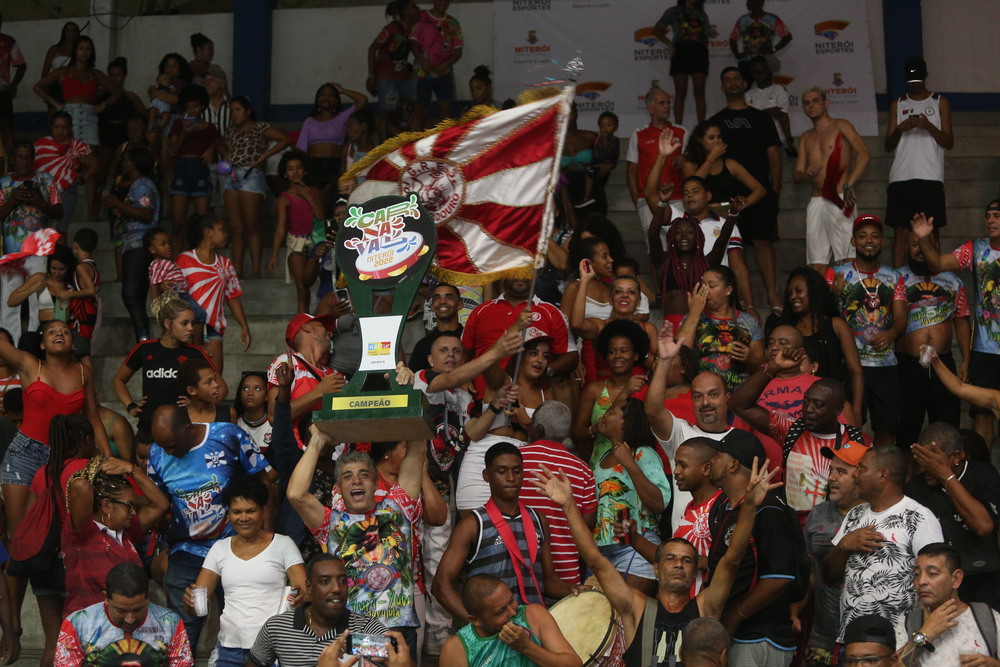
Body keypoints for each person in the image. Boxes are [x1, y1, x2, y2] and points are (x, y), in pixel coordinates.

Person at [532, 453, 776, 666]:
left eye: (687, 560)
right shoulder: (635, 607)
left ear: (694, 574)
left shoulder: (705, 607)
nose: (679, 564)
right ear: (656, 569)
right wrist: (568, 505)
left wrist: (750, 507)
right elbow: (596, 561)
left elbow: (731, 561)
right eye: (670, 558)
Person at [287, 428, 424, 660]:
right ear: (339, 487)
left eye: (364, 474)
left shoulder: (397, 508)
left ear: (374, 482)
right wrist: (317, 441)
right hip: (355, 631)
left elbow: (418, 446)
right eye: (347, 476)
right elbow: (295, 494)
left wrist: (407, 410)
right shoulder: (330, 523)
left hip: (397, 628)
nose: (356, 480)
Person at [146, 404, 271, 650]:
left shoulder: (228, 436)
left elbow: (263, 484)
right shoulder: (156, 453)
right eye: (163, 446)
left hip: (234, 547)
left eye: (172, 445)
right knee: (182, 632)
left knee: (238, 626)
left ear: (188, 428)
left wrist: (266, 539)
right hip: (186, 551)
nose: (167, 451)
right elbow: (158, 503)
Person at [434, 442, 580, 619]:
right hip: (495, 635)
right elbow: (440, 585)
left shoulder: (539, 520)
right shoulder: (473, 524)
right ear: (486, 475)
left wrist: (572, 589)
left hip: (534, 629)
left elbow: (548, 582)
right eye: (501, 471)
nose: (510, 478)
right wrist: (477, 625)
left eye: (517, 471)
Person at [822, 446, 943, 649]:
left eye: (862, 468)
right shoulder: (854, 515)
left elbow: (937, 581)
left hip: (899, 644)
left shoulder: (919, 517)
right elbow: (829, 576)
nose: (856, 474)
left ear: (883, 474)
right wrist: (844, 545)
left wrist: (923, 637)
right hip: (851, 642)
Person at [0, 320, 109, 541]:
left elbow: (93, 418)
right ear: (42, 345)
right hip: (24, 455)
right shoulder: (29, 364)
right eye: (52, 331)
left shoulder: (83, 372)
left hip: (65, 458)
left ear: (73, 345)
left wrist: (107, 456)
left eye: (65, 332)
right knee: (21, 538)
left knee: (57, 537)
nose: (59, 333)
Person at [182, 476, 305, 667]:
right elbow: (198, 603)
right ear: (228, 514)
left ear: (264, 511)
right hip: (228, 648)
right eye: (236, 512)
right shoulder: (219, 549)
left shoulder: (283, 545)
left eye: (250, 511)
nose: (243, 518)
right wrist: (190, 601)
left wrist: (300, 597)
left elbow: (303, 591)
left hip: (272, 649)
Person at [730, 348, 867, 516]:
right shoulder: (791, 429)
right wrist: (772, 367)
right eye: (806, 402)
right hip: (794, 528)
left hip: (835, 530)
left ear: (838, 410)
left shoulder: (854, 440)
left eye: (818, 405)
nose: (809, 410)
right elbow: (738, 405)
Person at [705, 429, 801, 666]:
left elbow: (779, 577)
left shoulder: (769, 511)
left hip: (760, 638)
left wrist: (734, 618)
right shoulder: (722, 507)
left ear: (733, 465)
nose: (710, 461)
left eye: (717, 455)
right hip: (731, 635)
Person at [910, 204, 1000, 446]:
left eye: (997, 216)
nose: (990, 221)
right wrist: (924, 238)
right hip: (986, 349)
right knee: (981, 414)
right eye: (988, 216)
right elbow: (937, 264)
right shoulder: (977, 248)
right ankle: (984, 473)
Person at [646, 323, 740, 532]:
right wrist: (664, 362)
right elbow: (653, 411)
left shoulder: (741, 442)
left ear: (727, 398)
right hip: (683, 551)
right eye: (698, 396)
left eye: (713, 394)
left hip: (722, 549)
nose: (705, 402)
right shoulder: (682, 434)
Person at [709, 66, 784, 309]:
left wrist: (774, 189)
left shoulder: (761, 118)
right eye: (727, 79)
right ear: (722, 87)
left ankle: (772, 295)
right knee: (728, 248)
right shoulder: (715, 122)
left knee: (763, 242)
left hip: (758, 191)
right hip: (724, 194)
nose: (732, 83)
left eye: (736, 79)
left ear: (744, 83)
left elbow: (774, 155)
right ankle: (734, 300)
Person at [905, 422, 1000, 610]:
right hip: (941, 586)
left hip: (983, 581)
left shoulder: (982, 474)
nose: (926, 467)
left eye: (932, 460)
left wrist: (945, 476)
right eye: (922, 460)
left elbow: (983, 526)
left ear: (956, 456)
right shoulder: (914, 489)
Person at [830, 215, 907, 446]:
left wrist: (892, 333)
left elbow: (902, 316)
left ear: (882, 241)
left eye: (874, 236)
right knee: (850, 428)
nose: (869, 241)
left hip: (885, 366)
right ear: (853, 242)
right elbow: (823, 316)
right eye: (862, 236)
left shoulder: (894, 277)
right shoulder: (837, 273)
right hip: (850, 366)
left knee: (886, 429)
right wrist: (834, 295)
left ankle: (883, 476)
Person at [248, 554, 399, 667]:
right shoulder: (277, 627)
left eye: (342, 581)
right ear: (309, 586)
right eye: (325, 581)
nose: (336, 589)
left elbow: (401, 661)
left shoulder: (364, 629)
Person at [63, 454, 170, 614]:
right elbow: (81, 485)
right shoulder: (83, 534)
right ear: (106, 506)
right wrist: (96, 470)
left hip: (124, 626)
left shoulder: (126, 531)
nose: (134, 512)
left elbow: (161, 505)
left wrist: (131, 469)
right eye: (129, 506)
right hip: (89, 629)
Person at [34, 35, 121, 220]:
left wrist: (102, 106)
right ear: (75, 50)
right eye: (81, 48)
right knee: (66, 159)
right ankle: (60, 204)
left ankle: (92, 212)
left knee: (92, 164)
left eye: (88, 49)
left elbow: (117, 91)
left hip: (89, 116)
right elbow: (39, 86)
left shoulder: (96, 74)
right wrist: (57, 104)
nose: (84, 52)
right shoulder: (64, 71)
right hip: (69, 115)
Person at [896, 232, 970, 447]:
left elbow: (962, 321)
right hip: (907, 365)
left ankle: (945, 480)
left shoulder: (953, 281)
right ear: (907, 249)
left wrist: (966, 360)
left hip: (943, 364)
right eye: (914, 244)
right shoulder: (896, 279)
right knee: (906, 432)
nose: (920, 249)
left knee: (947, 430)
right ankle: (907, 479)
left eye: (926, 244)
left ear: (936, 246)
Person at [114, 291, 220, 430]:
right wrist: (131, 407)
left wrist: (197, 403)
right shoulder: (145, 348)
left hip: (182, 429)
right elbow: (119, 380)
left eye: (192, 323)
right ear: (168, 323)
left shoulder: (196, 353)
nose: (190, 329)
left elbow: (220, 388)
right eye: (184, 323)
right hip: (148, 427)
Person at [802, 440, 866, 666]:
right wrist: (795, 609)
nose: (831, 477)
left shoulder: (876, 516)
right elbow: (810, 572)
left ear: (862, 476)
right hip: (822, 636)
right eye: (831, 470)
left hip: (864, 640)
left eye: (841, 471)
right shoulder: (818, 514)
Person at [462, 277, 578, 402]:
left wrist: (547, 370)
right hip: (483, 397)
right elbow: (464, 352)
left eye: (526, 272)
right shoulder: (481, 310)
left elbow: (571, 357)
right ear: (504, 274)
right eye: (515, 271)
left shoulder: (551, 312)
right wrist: (464, 379)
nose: (520, 276)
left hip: (532, 401)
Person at [518, 402, 597, 585]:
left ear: (538, 428)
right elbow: (587, 527)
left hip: (520, 571)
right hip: (566, 576)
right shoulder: (584, 470)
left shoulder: (515, 461)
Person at [794, 87, 872, 272]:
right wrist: (806, 174)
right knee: (816, 263)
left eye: (815, 101)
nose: (811, 106)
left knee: (847, 258)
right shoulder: (806, 137)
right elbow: (796, 175)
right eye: (806, 103)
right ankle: (822, 301)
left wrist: (849, 183)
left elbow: (864, 154)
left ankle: (849, 301)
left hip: (839, 197)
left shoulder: (840, 125)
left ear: (825, 103)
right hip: (816, 200)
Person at [54, 563, 193, 666]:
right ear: (106, 598)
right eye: (121, 611)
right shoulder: (77, 623)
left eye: (138, 609)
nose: (130, 619)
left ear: (148, 597)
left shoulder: (170, 623)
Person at [885, 57, 953, 268]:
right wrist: (900, 128)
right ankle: (897, 281)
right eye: (910, 79)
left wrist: (928, 126)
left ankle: (935, 277)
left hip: (930, 176)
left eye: (918, 78)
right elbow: (888, 145)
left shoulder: (939, 101)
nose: (915, 83)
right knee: (900, 231)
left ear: (925, 76)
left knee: (931, 231)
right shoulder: (898, 104)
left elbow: (949, 142)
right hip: (901, 176)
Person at [774, 267, 865, 415]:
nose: (793, 297)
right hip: (798, 407)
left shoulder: (836, 325)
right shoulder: (789, 330)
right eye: (790, 293)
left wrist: (856, 409)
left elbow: (855, 371)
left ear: (814, 291)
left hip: (834, 405)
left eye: (798, 291)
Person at [217, 95, 290, 277]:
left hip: (251, 174)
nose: (234, 114)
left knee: (251, 226)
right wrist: (225, 153)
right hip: (231, 175)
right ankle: (238, 273)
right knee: (235, 229)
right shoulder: (231, 131)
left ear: (248, 111)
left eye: (238, 110)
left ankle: (256, 272)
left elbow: (284, 139)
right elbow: (220, 144)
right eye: (232, 111)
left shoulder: (260, 127)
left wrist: (264, 157)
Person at [896, 543, 1000, 666]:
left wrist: (994, 664)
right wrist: (925, 634)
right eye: (917, 574)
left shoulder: (987, 618)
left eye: (932, 573)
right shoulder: (909, 624)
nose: (921, 581)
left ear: (956, 578)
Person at [0, 141, 63, 342]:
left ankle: (37, 344)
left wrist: (40, 202)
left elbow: (59, 211)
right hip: (11, 251)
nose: (24, 161)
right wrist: (13, 200)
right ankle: (10, 346)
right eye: (19, 156)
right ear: (13, 159)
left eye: (28, 156)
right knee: (9, 299)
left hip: (39, 250)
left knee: (39, 299)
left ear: (33, 158)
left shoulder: (45, 180)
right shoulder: (2, 182)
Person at [177, 215, 252, 371]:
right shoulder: (184, 259)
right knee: (187, 380)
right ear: (209, 232)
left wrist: (244, 326)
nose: (226, 234)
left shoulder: (225, 263)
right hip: (186, 327)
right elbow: (175, 295)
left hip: (213, 327)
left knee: (214, 381)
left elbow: (232, 297)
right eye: (222, 230)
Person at [572, 318, 649, 465]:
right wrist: (595, 429)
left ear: (635, 355)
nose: (617, 356)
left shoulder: (645, 389)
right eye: (612, 352)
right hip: (600, 465)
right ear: (606, 356)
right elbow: (576, 433)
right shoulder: (593, 390)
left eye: (624, 351)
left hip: (637, 465)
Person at [101, 146, 159, 341]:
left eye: (125, 160)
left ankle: (143, 338)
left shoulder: (142, 185)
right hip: (131, 245)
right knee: (136, 295)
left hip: (138, 244)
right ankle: (142, 337)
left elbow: (146, 213)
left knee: (131, 294)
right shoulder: (135, 185)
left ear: (133, 163)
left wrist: (118, 204)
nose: (123, 164)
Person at [677, 266, 765, 390]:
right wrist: (694, 313)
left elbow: (763, 368)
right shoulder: (692, 317)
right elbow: (679, 352)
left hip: (739, 395)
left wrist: (750, 358)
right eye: (703, 285)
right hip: (703, 392)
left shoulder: (749, 322)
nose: (705, 290)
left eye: (712, 286)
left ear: (728, 290)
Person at [266, 314, 346, 450]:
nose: (330, 332)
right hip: (299, 455)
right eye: (322, 326)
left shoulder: (335, 375)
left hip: (334, 461)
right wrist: (319, 392)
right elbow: (274, 417)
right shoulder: (289, 363)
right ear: (306, 327)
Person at [626, 88, 686, 239]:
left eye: (668, 102)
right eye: (662, 103)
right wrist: (637, 200)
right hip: (647, 200)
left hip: (677, 197)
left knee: (680, 246)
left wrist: (684, 161)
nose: (667, 106)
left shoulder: (682, 132)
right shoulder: (638, 134)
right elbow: (632, 170)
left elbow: (691, 166)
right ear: (649, 108)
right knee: (655, 251)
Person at [270, 152, 323, 313]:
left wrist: (309, 197)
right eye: (290, 169)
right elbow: (281, 228)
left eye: (299, 168)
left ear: (305, 171)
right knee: (302, 288)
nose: (295, 172)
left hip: (316, 242)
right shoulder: (284, 198)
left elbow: (321, 218)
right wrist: (274, 255)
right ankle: (303, 323)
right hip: (297, 243)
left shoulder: (313, 192)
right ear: (285, 174)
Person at [168, 85, 217, 253]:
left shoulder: (210, 127)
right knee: (177, 223)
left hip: (201, 171)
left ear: (202, 106)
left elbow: (216, 147)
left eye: (195, 106)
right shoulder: (177, 124)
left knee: (202, 222)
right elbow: (173, 150)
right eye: (188, 107)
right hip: (181, 169)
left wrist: (212, 150)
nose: (192, 110)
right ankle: (176, 263)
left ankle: (200, 260)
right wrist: (184, 133)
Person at [681, 121, 766, 218]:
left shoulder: (730, 164)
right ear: (700, 140)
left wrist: (745, 203)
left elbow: (760, 189)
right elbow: (694, 184)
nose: (717, 141)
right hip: (700, 215)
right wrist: (711, 157)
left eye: (719, 137)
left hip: (726, 215)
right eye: (711, 138)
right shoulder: (690, 163)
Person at [32, 110, 98, 235]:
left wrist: (84, 178)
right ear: (51, 127)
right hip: (42, 189)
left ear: (70, 128)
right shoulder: (41, 144)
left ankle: (60, 254)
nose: (60, 131)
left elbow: (95, 164)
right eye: (56, 127)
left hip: (66, 190)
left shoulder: (77, 146)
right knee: (42, 229)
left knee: (60, 230)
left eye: (64, 127)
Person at [367, 0, 419, 142]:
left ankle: (409, 142)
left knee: (412, 107)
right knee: (386, 112)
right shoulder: (390, 29)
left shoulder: (413, 29)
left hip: (403, 75)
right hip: (386, 77)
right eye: (413, 7)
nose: (418, 9)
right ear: (405, 12)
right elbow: (372, 49)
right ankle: (383, 147)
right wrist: (371, 75)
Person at [655, 0, 710, 126]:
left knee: (700, 92)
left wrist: (703, 49)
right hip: (681, 51)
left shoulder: (702, 14)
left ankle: (702, 128)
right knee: (680, 92)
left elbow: (706, 36)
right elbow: (657, 30)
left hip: (699, 51)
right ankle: (678, 127)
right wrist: (670, 45)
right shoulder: (673, 11)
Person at [411, 0, 463, 124]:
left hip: (444, 73)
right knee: (419, 111)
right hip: (423, 73)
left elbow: (458, 51)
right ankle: (414, 141)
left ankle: (444, 142)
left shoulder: (453, 23)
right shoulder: (421, 16)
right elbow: (412, 42)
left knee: (445, 112)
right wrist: (422, 60)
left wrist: (446, 64)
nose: (444, 3)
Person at [745, 56, 796, 157]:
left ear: (768, 70)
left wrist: (789, 142)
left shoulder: (779, 89)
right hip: (756, 143)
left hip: (778, 142)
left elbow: (783, 117)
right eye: (756, 72)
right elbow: (750, 120)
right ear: (752, 74)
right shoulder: (748, 95)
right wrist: (768, 111)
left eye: (762, 71)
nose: (760, 75)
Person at [728, 0, 793, 77]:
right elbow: (733, 39)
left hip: (766, 61)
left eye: (751, 1)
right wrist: (737, 54)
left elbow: (787, 36)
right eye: (747, 1)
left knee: (766, 87)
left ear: (760, 2)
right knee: (747, 87)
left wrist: (773, 49)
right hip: (747, 61)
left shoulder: (772, 19)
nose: (747, 4)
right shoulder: (742, 20)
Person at [409, 282, 463, 372]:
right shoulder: (422, 345)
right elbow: (413, 380)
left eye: (449, 297)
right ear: (432, 307)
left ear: (459, 305)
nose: (442, 302)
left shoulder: (470, 339)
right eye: (437, 298)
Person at [0, 11, 26, 161]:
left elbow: (21, 65)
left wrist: (14, 84)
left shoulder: (8, 41)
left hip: (2, 91)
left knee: (7, 126)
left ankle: (12, 161)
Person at [177, 357, 228, 423]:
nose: (216, 385)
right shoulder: (177, 418)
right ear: (192, 390)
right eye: (208, 382)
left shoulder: (228, 414)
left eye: (215, 379)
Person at [232, 371, 272, 454]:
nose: (250, 393)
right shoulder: (235, 424)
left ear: (267, 396)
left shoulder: (274, 425)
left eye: (257, 389)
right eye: (245, 388)